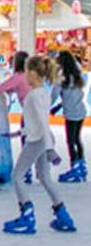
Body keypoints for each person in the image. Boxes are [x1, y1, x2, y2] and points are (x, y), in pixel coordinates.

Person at [2, 56, 76, 234]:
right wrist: (17, 133)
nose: (25, 75)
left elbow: (43, 122)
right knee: (44, 177)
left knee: (18, 176)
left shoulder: (34, 95)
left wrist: (50, 149)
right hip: (42, 138)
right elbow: (36, 124)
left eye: (27, 71)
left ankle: (27, 215)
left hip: (38, 141)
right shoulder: (42, 92)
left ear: (34, 73)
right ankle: (63, 215)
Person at [52, 51, 87, 183]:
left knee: (70, 141)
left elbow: (55, 95)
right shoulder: (78, 76)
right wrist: (57, 107)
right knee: (77, 139)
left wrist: (47, 105)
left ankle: (74, 166)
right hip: (80, 112)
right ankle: (81, 165)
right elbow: (73, 97)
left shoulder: (61, 78)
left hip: (71, 114)